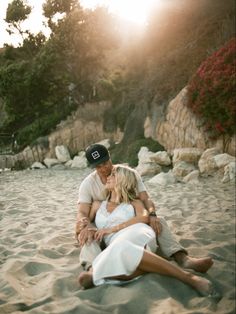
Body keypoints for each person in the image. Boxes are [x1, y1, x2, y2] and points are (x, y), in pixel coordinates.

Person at [76, 143, 213, 273]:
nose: (104, 169)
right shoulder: (88, 184)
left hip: (127, 219)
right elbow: (82, 211)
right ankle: (91, 270)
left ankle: (183, 259)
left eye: (105, 163)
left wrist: (152, 215)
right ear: (93, 167)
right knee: (87, 236)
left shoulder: (128, 174)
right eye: (98, 166)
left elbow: (145, 199)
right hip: (101, 220)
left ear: (110, 157)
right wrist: (85, 224)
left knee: (159, 221)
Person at [78, 164, 213, 296]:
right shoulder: (97, 205)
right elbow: (84, 219)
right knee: (117, 250)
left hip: (136, 232)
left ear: (123, 181)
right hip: (114, 242)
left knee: (124, 245)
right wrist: (88, 227)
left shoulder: (134, 202)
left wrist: (111, 229)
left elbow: (144, 217)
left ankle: (188, 275)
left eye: (113, 175)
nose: (108, 177)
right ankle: (97, 273)